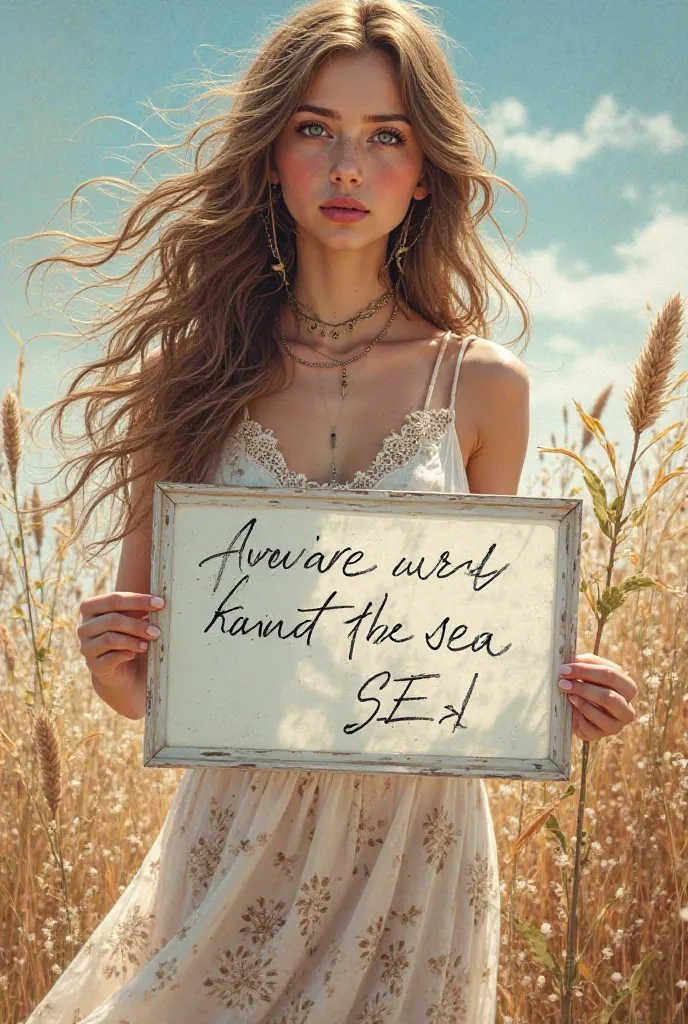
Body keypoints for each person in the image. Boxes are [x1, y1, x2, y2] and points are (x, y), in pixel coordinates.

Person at [24, 1, 638, 1020]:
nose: (347, 166)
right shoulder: (189, 379)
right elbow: (140, 693)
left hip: (420, 845)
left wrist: (569, 692)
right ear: (271, 156)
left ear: (424, 170)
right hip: (238, 829)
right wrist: (107, 654)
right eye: (316, 129)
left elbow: (491, 643)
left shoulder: (482, 386)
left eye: (384, 137)